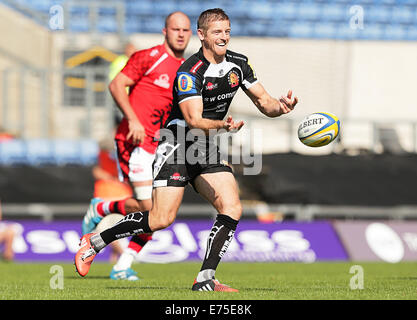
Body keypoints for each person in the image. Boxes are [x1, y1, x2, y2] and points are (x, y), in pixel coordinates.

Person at [75, 8, 298, 292]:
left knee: (232, 206)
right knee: (160, 219)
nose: (224, 37)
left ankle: (205, 278)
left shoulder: (239, 64)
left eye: (227, 31)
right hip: (177, 145)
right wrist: (223, 126)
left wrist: (281, 107)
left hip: (205, 146)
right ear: (202, 35)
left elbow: (264, 102)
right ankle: (94, 242)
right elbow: (192, 120)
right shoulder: (189, 72)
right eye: (217, 32)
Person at [81, 11, 192, 280]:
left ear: (191, 34)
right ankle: (103, 211)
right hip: (133, 141)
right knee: (149, 210)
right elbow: (117, 84)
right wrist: (132, 119)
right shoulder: (148, 57)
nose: (180, 34)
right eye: (175, 29)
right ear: (165, 32)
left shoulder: (188, 69)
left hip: (160, 145)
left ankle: (121, 261)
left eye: (185, 30)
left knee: (157, 213)